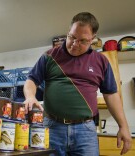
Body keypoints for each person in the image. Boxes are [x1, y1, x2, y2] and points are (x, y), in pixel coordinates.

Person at [23, 12, 132, 155]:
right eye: (72, 37)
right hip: (52, 128)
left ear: (92, 39)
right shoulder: (50, 56)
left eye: (82, 41)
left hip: (85, 131)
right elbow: (31, 80)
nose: (75, 44)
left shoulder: (101, 61)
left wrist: (123, 126)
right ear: (68, 32)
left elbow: (111, 94)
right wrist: (30, 96)